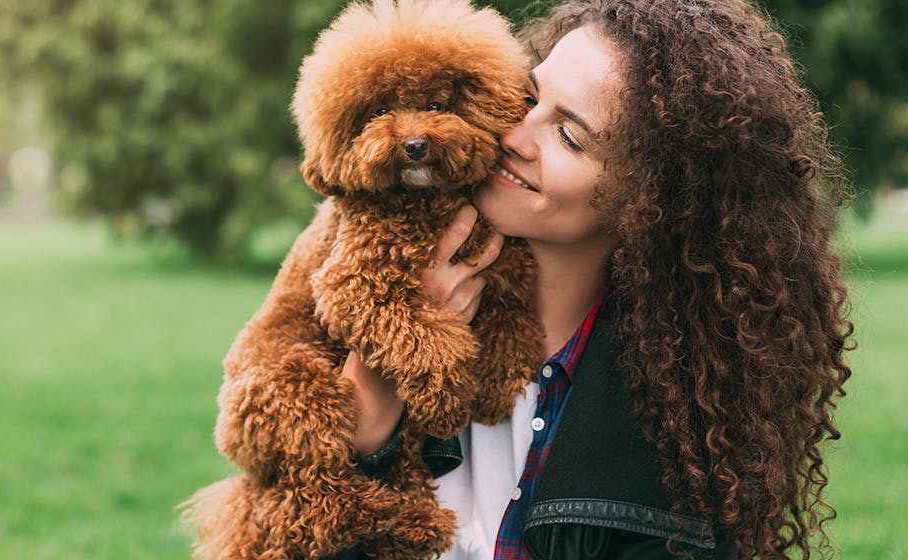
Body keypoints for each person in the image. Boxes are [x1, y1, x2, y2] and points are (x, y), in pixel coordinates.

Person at [343, 0, 854, 558]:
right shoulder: (372, 286)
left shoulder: (683, 424)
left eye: (569, 136)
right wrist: (374, 379)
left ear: (652, 198)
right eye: (530, 98)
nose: (516, 135)